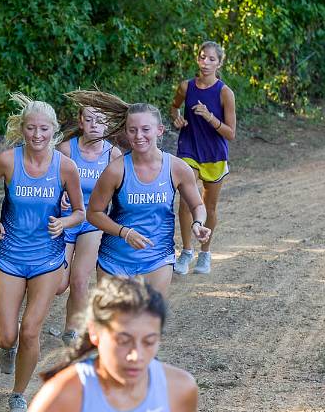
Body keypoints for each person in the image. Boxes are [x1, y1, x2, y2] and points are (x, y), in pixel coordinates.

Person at [0, 93, 85, 412]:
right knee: (7, 334)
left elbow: (80, 211)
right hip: (9, 255)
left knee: (31, 330)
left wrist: (65, 221)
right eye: (31, 129)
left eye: (44, 130)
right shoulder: (8, 160)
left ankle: (18, 395)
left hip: (47, 258)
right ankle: (7, 348)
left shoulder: (65, 167)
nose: (37, 136)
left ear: (54, 131)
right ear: (22, 130)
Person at [0, 276, 203, 412]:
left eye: (149, 341)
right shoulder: (65, 394)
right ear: (94, 332)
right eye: (123, 341)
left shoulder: (179, 388)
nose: (136, 356)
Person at [66, 90, 211, 297]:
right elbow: (94, 213)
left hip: (158, 257)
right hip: (115, 258)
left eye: (145, 129)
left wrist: (198, 223)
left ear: (160, 130)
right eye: (132, 130)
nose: (139, 136)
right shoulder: (116, 170)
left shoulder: (177, 168)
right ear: (125, 132)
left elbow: (197, 205)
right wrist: (125, 232)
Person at [56, 107, 122, 346]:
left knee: (80, 278)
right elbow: (50, 181)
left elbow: (121, 190)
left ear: (107, 125)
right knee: (59, 284)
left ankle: (73, 330)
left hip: (93, 222)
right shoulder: (66, 150)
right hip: (65, 220)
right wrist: (59, 194)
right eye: (89, 119)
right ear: (81, 122)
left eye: (100, 120)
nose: (95, 124)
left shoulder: (113, 155)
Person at [170, 41, 236, 275]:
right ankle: (186, 251)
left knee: (209, 206)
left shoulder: (225, 93)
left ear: (219, 63)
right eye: (202, 57)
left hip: (215, 154)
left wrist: (209, 117)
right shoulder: (186, 87)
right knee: (187, 201)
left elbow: (230, 133)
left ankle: (204, 253)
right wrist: (177, 118)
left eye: (211, 59)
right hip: (189, 149)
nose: (205, 63)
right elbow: (174, 107)